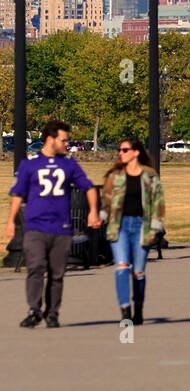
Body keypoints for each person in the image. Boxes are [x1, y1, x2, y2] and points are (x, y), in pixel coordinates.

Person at [6, 119, 100, 328]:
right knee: (36, 267)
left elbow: (90, 188)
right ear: (51, 139)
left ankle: (52, 312)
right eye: (64, 140)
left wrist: (93, 212)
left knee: (57, 273)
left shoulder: (69, 164)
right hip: (35, 227)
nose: (67, 144)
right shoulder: (30, 164)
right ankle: (34, 309)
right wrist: (11, 221)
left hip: (61, 228)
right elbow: (17, 194)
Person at [101, 136, 166, 325]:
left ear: (136, 152)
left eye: (125, 150)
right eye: (120, 150)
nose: (121, 153)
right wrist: (101, 217)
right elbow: (106, 200)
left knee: (138, 272)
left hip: (141, 227)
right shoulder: (115, 176)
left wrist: (156, 225)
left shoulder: (149, 175)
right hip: (119, 226)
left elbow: (158, 201)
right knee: (121, 267)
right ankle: (125, 309)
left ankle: (138, 308)